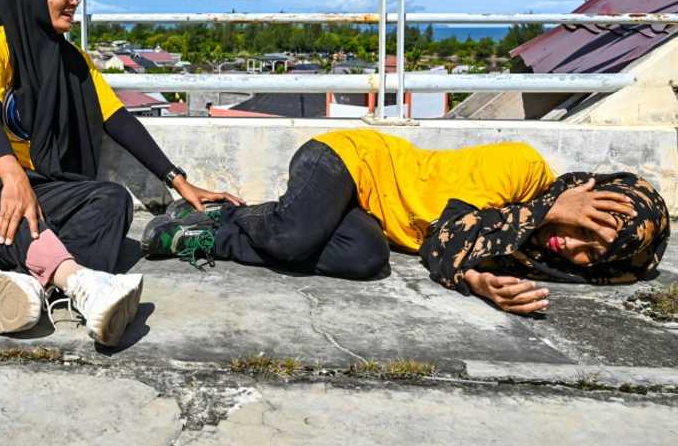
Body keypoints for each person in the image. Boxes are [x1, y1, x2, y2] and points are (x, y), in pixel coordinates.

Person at [0, 0, 240, 347]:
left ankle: (20, 285)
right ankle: (81, 283)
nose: (72, 0)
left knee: (111, 200)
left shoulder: (74, 63)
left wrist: (178, 180)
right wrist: (10, 174)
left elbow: (119, 121)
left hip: (31, 179)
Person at [143, 129, 669, 314]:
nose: (573, 244)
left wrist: (477, 278)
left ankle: (217, 228)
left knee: (366, 260)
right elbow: (447, 235)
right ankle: (223, 220)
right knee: (292, 237)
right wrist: (548, 209)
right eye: (586, 222)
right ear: (582, 188)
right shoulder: (521, 167)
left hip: (368, 212)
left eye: (594, 252)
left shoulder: (525, 243)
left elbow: (458, 253)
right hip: (348, 159)